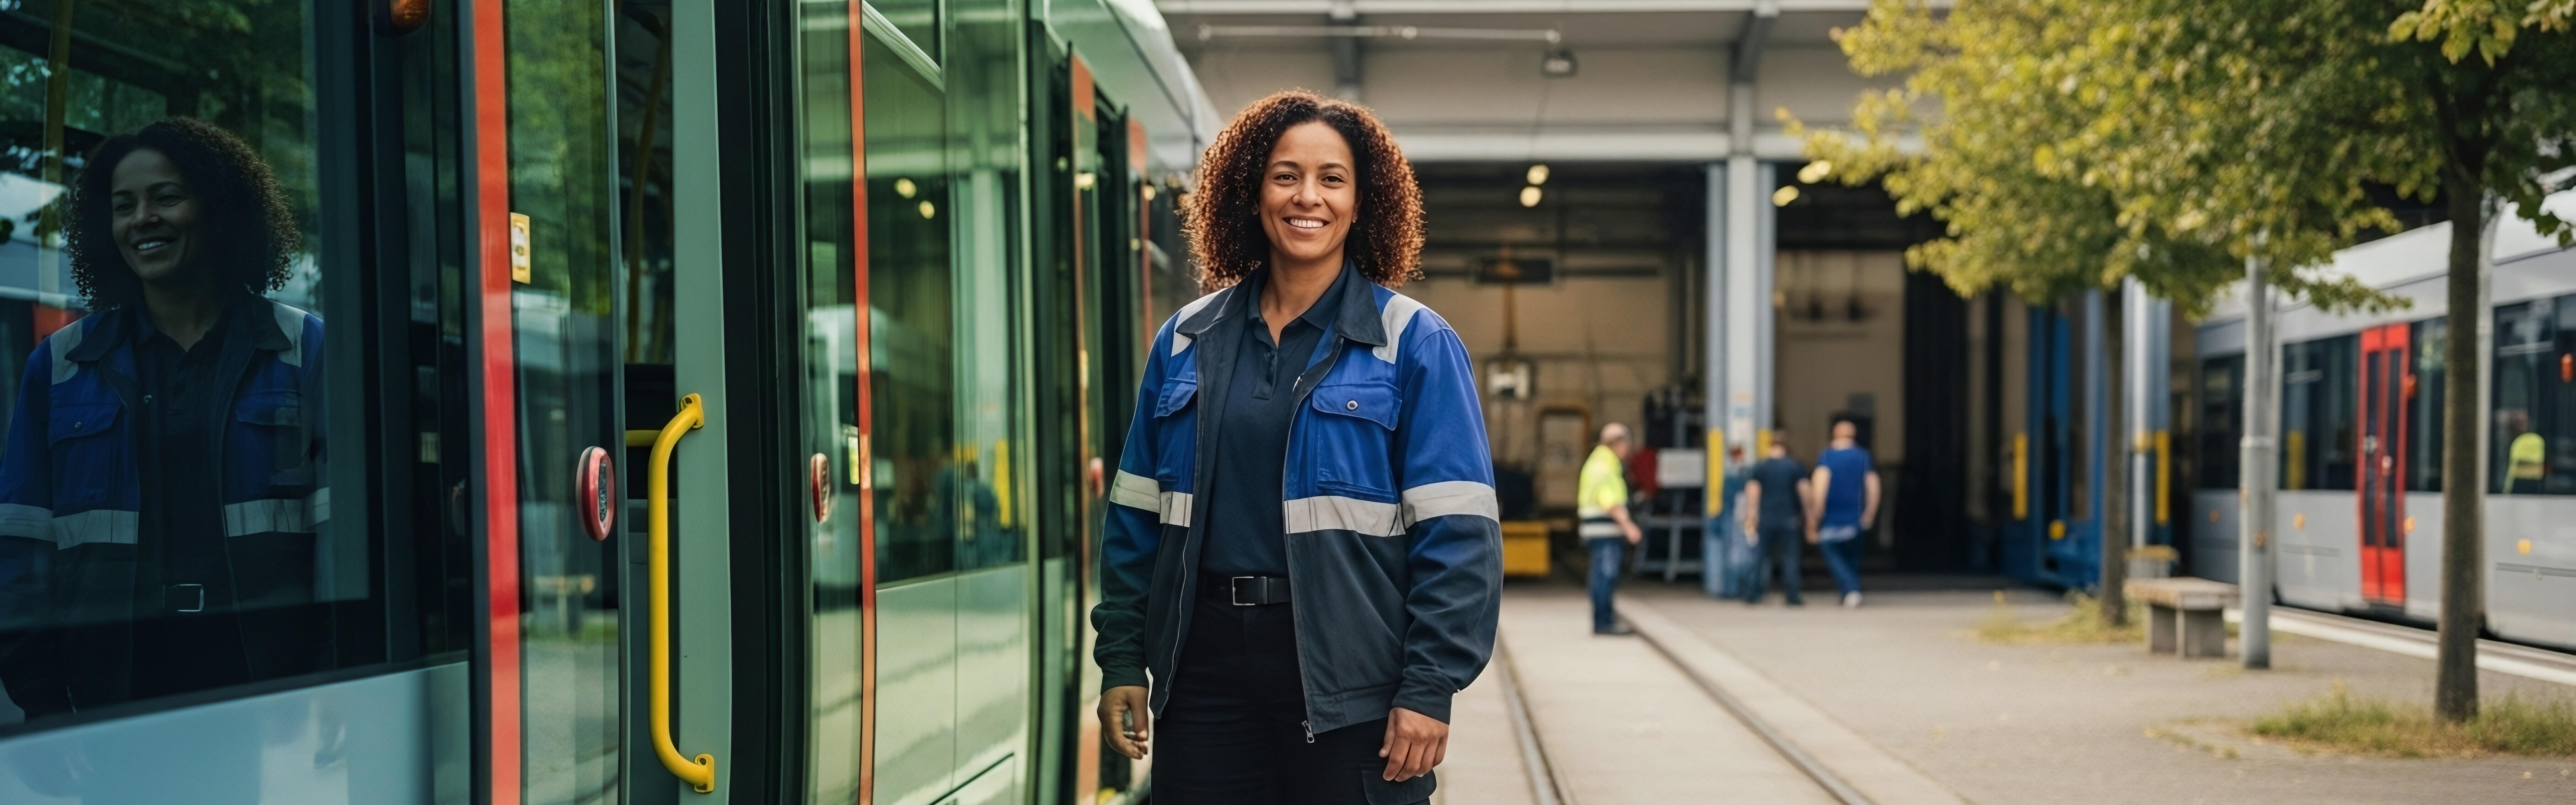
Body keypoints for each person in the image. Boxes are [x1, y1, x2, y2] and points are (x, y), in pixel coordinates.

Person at [1089, 89, 1497, 805]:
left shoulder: (1416, 344)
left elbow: (1459, 535)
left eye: (1332, 178)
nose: (1307, 197)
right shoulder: (1186, 340)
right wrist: (1122, 657)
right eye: (1285, 175)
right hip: (1205, 672)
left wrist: (1430, 686)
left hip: (1351, 681)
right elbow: (1136, 519)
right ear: (1251, 193)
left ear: (1363, 202)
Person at [0, 118, 324, 720]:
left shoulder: (305, 348)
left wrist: (339, 679)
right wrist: (41, 698)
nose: (141, 218)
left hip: (262, 684)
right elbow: (23, 545)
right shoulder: (60, 365)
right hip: (107, 689)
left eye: (166, 197)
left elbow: (341, 537)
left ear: (219, 208)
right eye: (124, 206)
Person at [1578, 423, 1644, 634]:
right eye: (1627, 443)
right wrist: (1629, 527)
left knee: (1600, 574)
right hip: (1604, 531)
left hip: (1597, 531)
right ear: (1617, 443)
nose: (1628, 448)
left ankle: (1603, 619)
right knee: (1606, 575)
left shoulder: (1598, 461)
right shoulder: (1605, 465)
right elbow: (1610, 502)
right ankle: (1604, 622)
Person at [1812, 419, 1882, 607]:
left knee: (1832, 554)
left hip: (1832, 517)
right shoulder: (1863, 457)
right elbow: (1873, 486)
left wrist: (1817, 511)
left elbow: (1821, 485)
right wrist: (1870, 513)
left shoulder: (1827, 457)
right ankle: (1851, 590)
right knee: (1852, 557)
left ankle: (1850, 589)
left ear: (1835, 434)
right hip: (1855, 517)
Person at [1741, 433, 1811, 606]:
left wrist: (1751, 516)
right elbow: (1805, 492)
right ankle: (1793, 595)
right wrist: (1810, 515)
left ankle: (1753, 593)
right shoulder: (1795, 467)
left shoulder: (1760, 467)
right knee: (1790, 557)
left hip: (1766, 519)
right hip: (1789, 519)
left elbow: (1753, 494)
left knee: (1760, 557)